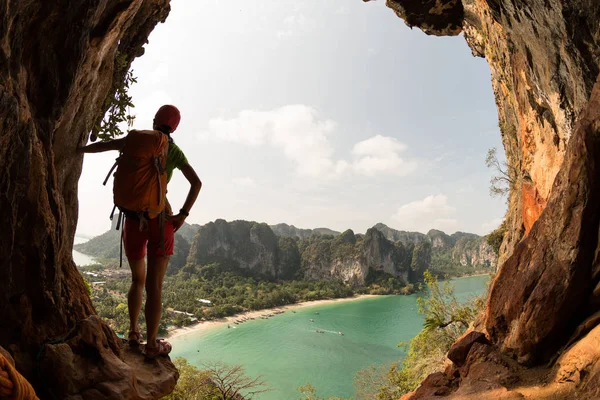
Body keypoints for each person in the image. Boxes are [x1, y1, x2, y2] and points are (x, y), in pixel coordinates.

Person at [78, 105, 202, 358]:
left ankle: (133, 333)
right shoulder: (173, 150)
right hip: (161, 222)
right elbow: (196, 183)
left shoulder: (135, 140)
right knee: (155, 287)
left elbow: (103, 146)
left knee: (137, 280)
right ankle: (152, 345)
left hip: (132, 221)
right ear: (175, 127)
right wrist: (183, 214)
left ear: (155, 120)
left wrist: (77, 148)